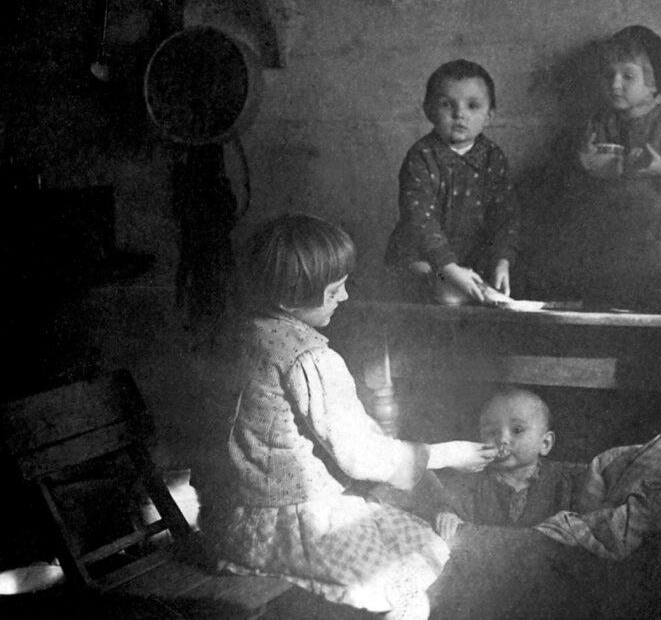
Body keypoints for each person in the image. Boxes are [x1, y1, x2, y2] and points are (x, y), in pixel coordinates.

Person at [197, 213, 497, 620]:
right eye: (334, 289)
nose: (345, 298)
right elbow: (360, 457)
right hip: (287, 527)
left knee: (398, 521)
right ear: (289, 299)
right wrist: (446, 453)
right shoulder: (310, 358)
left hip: (226, 519)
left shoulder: (240, 334)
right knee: (417, 567)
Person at [542, 25, 661, 311]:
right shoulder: (598, 125)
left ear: (652, 82)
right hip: (608, 236)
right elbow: (571, 194)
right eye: (609, 75)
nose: (615, 84)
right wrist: (583, 168)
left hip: (660, 239)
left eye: (628, 76)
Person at [384, 59, 520, 306]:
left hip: (470, 260)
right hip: (421, 257)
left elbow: (505, 216)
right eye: (447, 104)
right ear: (428, 110)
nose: (460, 114)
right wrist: (448, 268)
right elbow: (419, 220)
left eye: (472, 106)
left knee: (499, 294)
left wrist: (503, 260)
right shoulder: (422, 156)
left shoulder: (493, 157)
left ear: (489, 115)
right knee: (448, 297)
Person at [433, 388, 585, 540]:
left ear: (545, 443)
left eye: (517, 430)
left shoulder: (564, 481)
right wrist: (448, 515)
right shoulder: (473, 479)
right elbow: (451, 503)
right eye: (492, 432)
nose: (502, 439)